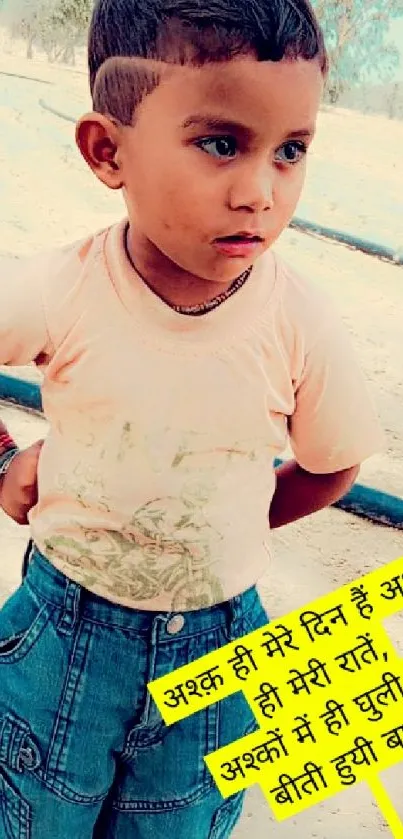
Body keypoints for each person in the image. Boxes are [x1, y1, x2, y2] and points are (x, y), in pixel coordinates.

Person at [0, 0, 383, 836]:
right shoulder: (60, 289)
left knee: (175, 823)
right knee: (32, 814)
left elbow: (331, 464)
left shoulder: (298, 322)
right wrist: (4, 460)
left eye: (291, 151)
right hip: (62, 630)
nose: (259, 192)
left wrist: (239, 519)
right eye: (220, 143)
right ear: (108, 150)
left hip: (219, 651)